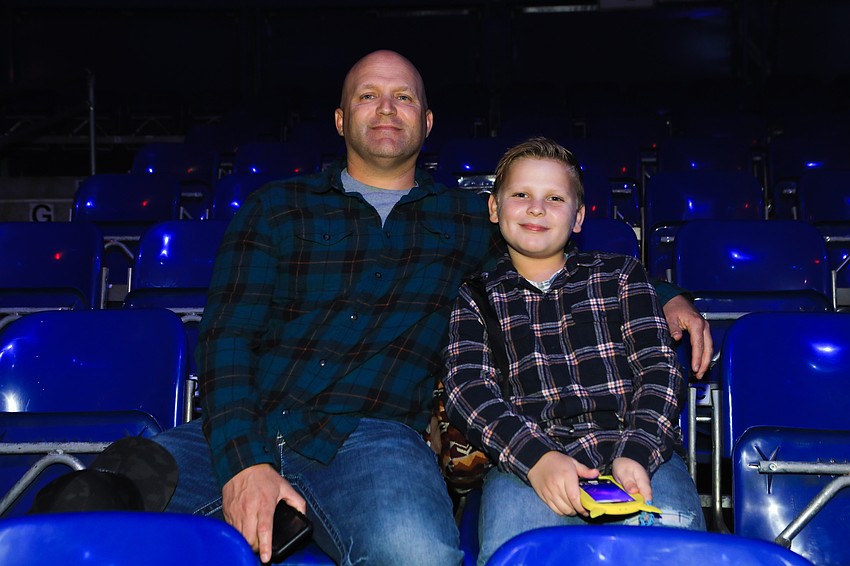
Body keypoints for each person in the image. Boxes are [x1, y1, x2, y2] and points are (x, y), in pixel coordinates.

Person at [153, 50, 712, 565]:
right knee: (93, 508)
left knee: (419, 555)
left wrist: (666, 296)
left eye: (405, 97)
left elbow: (555, 252)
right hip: (239, 428)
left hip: (368, 442)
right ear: (342, 120)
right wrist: (245, 463)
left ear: (426, 122)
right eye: (368, 95)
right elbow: (226, 341)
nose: (387, 107)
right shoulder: (275, 209)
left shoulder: (469, 219)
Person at [442, 137, 706, 565]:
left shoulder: (622, 276)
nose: (536, 208)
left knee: (676, 556)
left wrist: (636, 452)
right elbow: (468, 390)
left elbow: (659, 369)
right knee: (519, 555)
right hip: (527, 464)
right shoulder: (476, 297)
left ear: (579, 217)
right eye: (521, 194)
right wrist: (537, 459)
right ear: (494, 208)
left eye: (555, 198)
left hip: (638, 451)